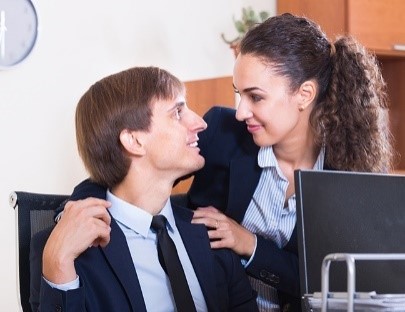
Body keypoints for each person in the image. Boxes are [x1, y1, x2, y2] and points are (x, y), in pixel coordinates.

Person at [55, 13, 394, 312]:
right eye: (239, 93)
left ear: (304, 95)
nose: (242, 110)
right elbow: (133, 174)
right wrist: (76, 211)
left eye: (255, 96)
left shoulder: (350, 170)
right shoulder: (223, 132)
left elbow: (337, 284)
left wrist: (251, 246)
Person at [29, 66, 259, 312]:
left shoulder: (213, 235)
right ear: (134, 140)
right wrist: (59, 265)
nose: (200, 123)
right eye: (178, 112)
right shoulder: (64, 252)